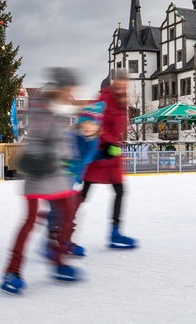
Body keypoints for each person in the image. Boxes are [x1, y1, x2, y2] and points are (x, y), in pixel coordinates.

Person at [0, 67, 82, 295]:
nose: (71, 94)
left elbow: (63, 141)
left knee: (68, 213)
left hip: (56, 175)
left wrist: (70, 158)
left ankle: (58, 261)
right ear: (61, 88)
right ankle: (12, 271)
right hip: (39, 172)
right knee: (30, 220)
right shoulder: (41, 107)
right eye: (69, 90)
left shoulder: (60, 109)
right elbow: (45, 137)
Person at [79, 69, 137, 249]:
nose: (122, 85)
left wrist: (114, 145)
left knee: (120, 191)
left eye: (125, 83)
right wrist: (106, 142)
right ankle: (61, 230)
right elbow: (94, 123)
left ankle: (115, 232)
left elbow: (119, 126)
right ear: (115, 82)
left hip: (112, 155)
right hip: (99, 153)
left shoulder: (122, 101)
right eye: (120, 82)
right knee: (83, 194)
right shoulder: (104, 99)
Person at [44, 102, 105, 258]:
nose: (88, 127)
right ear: (79, 123)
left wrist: (104, 153)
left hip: (72, 179)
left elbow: (87, 158)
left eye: (92, 124)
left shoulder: (94, 141)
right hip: (59, 177)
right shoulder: (72, 136)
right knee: (60, 211)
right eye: (85, 123)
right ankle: (52, 242)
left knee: (69, 212)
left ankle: (65, 240)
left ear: (98, 126)